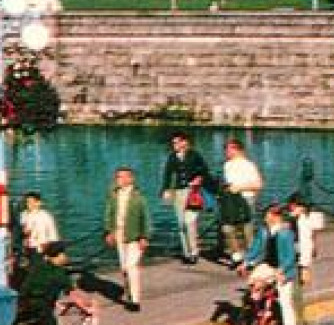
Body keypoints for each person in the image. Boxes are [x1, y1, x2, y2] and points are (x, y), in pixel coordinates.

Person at [18, 241, 94, 325]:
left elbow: (33, 288)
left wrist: (57, 304)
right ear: (57, 256)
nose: (66, 256)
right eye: (63, 253)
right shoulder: (59, 273)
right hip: (42, 308)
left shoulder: (37, 267)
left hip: (25, 306)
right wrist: (87, 308)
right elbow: (73, 295)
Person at [241, 205, 303, 325]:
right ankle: (261, 313)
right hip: (268, 266)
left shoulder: (286, 233)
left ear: (276, 217)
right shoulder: (263, 232)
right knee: (255, 284)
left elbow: (290, 256)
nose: (266, 218)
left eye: (268, 215)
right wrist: (246, 262)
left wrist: (282, 271)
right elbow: (255, 249)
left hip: (283, 268)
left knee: (285, 300)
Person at [160, 132, 213, 264]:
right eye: (173, 143)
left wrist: (199, 178)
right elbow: (167, 174)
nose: (174, 145)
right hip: (178, 192)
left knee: (190, 222)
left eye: (177, 142)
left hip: (193, 192)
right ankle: (187, 252)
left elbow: (205, 171)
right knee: (181, 224)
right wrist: (165, 189)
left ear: (185, 142)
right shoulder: (172, 157)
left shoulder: (195, 155)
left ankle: (194, 251)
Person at [103, 166, 150, 312]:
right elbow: (108, 214)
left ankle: (135, 301)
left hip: (134, 237)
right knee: (124, 269)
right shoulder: (113, 196)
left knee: (131, 267)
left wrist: (144, 236)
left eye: (123, 177)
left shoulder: (139, 197)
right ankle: (129, 294)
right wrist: (108, 231)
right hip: (119, 235)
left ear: (131, 179)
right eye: (117, 177)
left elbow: (146, 218)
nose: (119, 180)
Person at [218, 138, 263, 267]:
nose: (226, 152)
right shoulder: (226, 165)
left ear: (236, 149)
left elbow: (258, 184)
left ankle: (251, 257)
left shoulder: (249, 165)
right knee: (227, 228)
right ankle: (236, 255)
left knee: (247, 229)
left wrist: (240, 187)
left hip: (245, 198)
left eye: (228, 149)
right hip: (230, 199)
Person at [284, 194, 316, 325]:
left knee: (295, 290)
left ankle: (298, 318)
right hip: (295, 259)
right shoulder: (295, 220)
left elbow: (306, 242)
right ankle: (298, 318)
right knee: (294, 290)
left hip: (298, 259)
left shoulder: (301, 220)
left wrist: (305, 266)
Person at [18, 192, 60, 263]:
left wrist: (48, 251)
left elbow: (53, 236)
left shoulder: (46, 216)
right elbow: (23, 232)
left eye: (31, 202)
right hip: (28, 248)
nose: (28, 205)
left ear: (38, 203)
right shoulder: (23, 215)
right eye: (27, 202)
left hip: (42, 248)